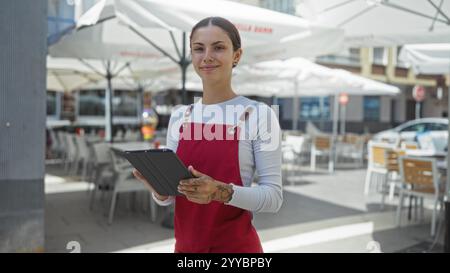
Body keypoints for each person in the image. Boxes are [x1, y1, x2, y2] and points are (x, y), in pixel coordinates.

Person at [133, 16, 282, 253]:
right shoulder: (179, 116)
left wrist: (219, 192)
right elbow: (170, 197)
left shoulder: (259, 114)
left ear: (237, 55)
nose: (207, 56)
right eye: (198, 49)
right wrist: (159, 189)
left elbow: (273, 198)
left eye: (219, 47)